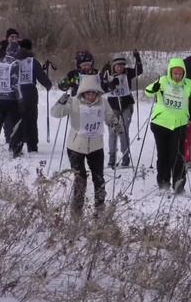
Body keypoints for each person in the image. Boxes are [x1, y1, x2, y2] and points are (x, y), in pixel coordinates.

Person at [50, 75, 122, 215]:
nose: (91, 96)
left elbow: (109, 117)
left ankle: (99, 210)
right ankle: (76, 212)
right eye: (88, 93)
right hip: (76, 147)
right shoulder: (73, 102)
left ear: (97, 92)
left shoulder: (103, 102)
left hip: (96, 146)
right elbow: (55, 113)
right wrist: (61, 102)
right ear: (82, 92)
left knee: (99, 178)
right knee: (80, 179)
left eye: (93, 93)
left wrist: (115, 124)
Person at [145, 58, 191, 193]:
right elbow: (148, 91)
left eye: (180, 74)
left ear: (183, 73)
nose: (177, 76)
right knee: (163, 155)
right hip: (160, 124)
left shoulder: (187, 84)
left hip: (178, 126)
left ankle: (178, 184)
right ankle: (163, 183)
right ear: (170, 72)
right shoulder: (162, 81)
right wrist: (153, 89)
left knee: (178, 155)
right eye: (175, 73)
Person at [10, 39, 52, 155]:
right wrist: (48, 84)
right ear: (30, 48)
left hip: (16, 94)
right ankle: (32, 145)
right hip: (30, 93)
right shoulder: (32, 61)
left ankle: (16, 145)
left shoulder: (13, 60)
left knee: (17, 120)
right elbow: (41, 77)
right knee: (31, 120)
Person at [102, 51, 143, 167]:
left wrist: (137, 58)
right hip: (113, 107)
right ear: (113, 66)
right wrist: (109, 85)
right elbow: (102, 87)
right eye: (117, 65)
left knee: (123, 132)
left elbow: (139, 71)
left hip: (126, 106)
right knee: (113, 132)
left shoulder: (128, 73)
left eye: (121, 65)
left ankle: (125, 156)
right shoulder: (108, 74)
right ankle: (112, 157)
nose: (119, 67)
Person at [0, 28, 20, 144]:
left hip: (15, 92)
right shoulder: (2, 51)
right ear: (7, 38)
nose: (13, 39)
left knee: (12, 120)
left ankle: (13, 141)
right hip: (2, 91)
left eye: (15, 37)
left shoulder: (22, 51)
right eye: (11, 37)